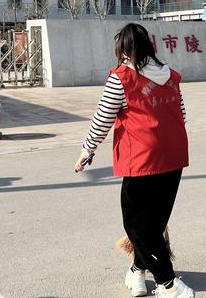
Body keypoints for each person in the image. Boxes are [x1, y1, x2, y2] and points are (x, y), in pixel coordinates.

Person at [74, 23, 194, 298]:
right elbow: (182, 113)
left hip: (142, 159)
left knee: (137, 226)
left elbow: (103, 118)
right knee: (154, 223)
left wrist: (87, 150)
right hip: (174, 156)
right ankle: (136, 272)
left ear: (124, 50)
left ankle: (167, 282)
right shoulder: (171, 76)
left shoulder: (122, 78)